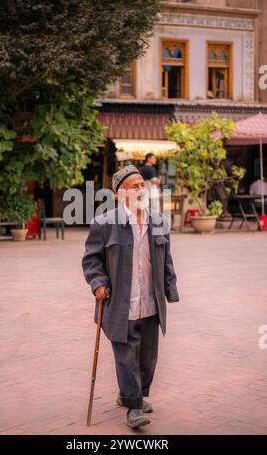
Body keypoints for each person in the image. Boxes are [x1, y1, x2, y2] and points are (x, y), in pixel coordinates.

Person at [82, 164, 179, 429]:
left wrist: (170, 289)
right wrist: (98, 283)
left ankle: (132, 394)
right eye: (134, 186)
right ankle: (133, 407)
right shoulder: (104, 224)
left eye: (141, 185)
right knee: (126, 356)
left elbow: (165, 260)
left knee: (147, 358)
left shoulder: (158, 221)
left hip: (150, 302)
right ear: (119, 194)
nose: (140, 189)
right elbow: (92, 260)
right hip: (118, 304)